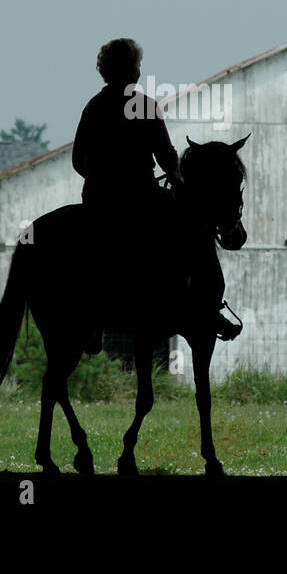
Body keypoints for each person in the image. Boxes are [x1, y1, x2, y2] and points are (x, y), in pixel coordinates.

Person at [72, 38, 241, 354]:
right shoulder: (144, 106)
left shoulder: (92, 107)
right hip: (142, 198)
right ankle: (208, 308)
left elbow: (78, 161)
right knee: (195, 235)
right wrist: (176, 179)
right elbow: (165, 156)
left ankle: (91, 318)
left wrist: (102, 183)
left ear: (105, 71)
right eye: (137, 64)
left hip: (98, 201)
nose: (138, 69)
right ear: (132, 70)